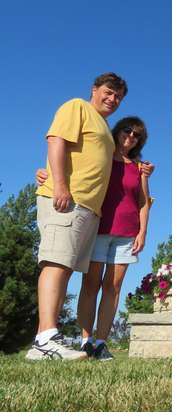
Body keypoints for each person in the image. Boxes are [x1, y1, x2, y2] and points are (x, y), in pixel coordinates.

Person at [27, 73, 128, 360]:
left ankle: (46, 339)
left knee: (66, 268)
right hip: (67, 199)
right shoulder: (77, 107)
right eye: (108, 92)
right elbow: (56, 140)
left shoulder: (104, 127)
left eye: (118, 96)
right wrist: (59, 184)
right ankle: (45, 339)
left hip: (87, 209)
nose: (113, 99)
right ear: (94, 89)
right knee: (56, 263)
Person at [36, 116, 154, 361]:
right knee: (91, 285)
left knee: (113, 287)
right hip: (98, 227)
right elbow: (75, 167)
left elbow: (143, 202)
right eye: (128, 131)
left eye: (137, 135)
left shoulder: (139, 168)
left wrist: (142, 232)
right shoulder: (101, 157)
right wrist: (45, 174)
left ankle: (101, 343)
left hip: (127, 234)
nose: (131, 137)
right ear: (117, 131)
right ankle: (86, 340)